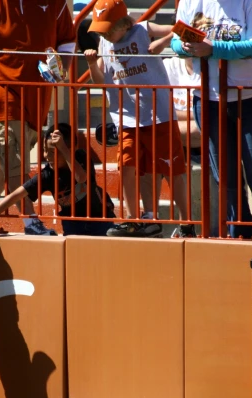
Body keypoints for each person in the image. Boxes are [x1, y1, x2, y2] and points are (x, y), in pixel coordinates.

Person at [0, 0, 77, 235]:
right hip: (0, 90)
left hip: (38, 93)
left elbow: (67, 41)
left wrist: (61, 69)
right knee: (11, 154)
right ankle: (30, 221)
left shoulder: (57, 3)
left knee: (9, 158)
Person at [172, 0, 252, 239]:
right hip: (208, 99)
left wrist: (214, 49)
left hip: (250, 96)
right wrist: (187, 46)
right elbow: (175, 42)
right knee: (225, 174)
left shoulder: (251, 1)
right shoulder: (190, 1)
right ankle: (241, 230)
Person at [85, 0, 190, 238]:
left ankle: (186, 223)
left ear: (124, 24)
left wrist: (163, 42)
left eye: (109, 29)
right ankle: (136, 219)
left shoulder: (143, 29)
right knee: (129, 167)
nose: (106, 34)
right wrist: (92, 63)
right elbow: (100, 82)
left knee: (172, 169)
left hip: (158, 115)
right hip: (126, 119)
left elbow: (185, 29)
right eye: (102, 29)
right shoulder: (104, 42)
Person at [0, 123, 115, 236]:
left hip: (99, 218)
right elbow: (15, 195)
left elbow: (81, 177)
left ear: (70, 149)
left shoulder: (81, 157)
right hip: (72, 223)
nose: (46, 156)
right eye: (45, 150)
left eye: (52, 151)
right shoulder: (47, 175)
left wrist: (63, 149)